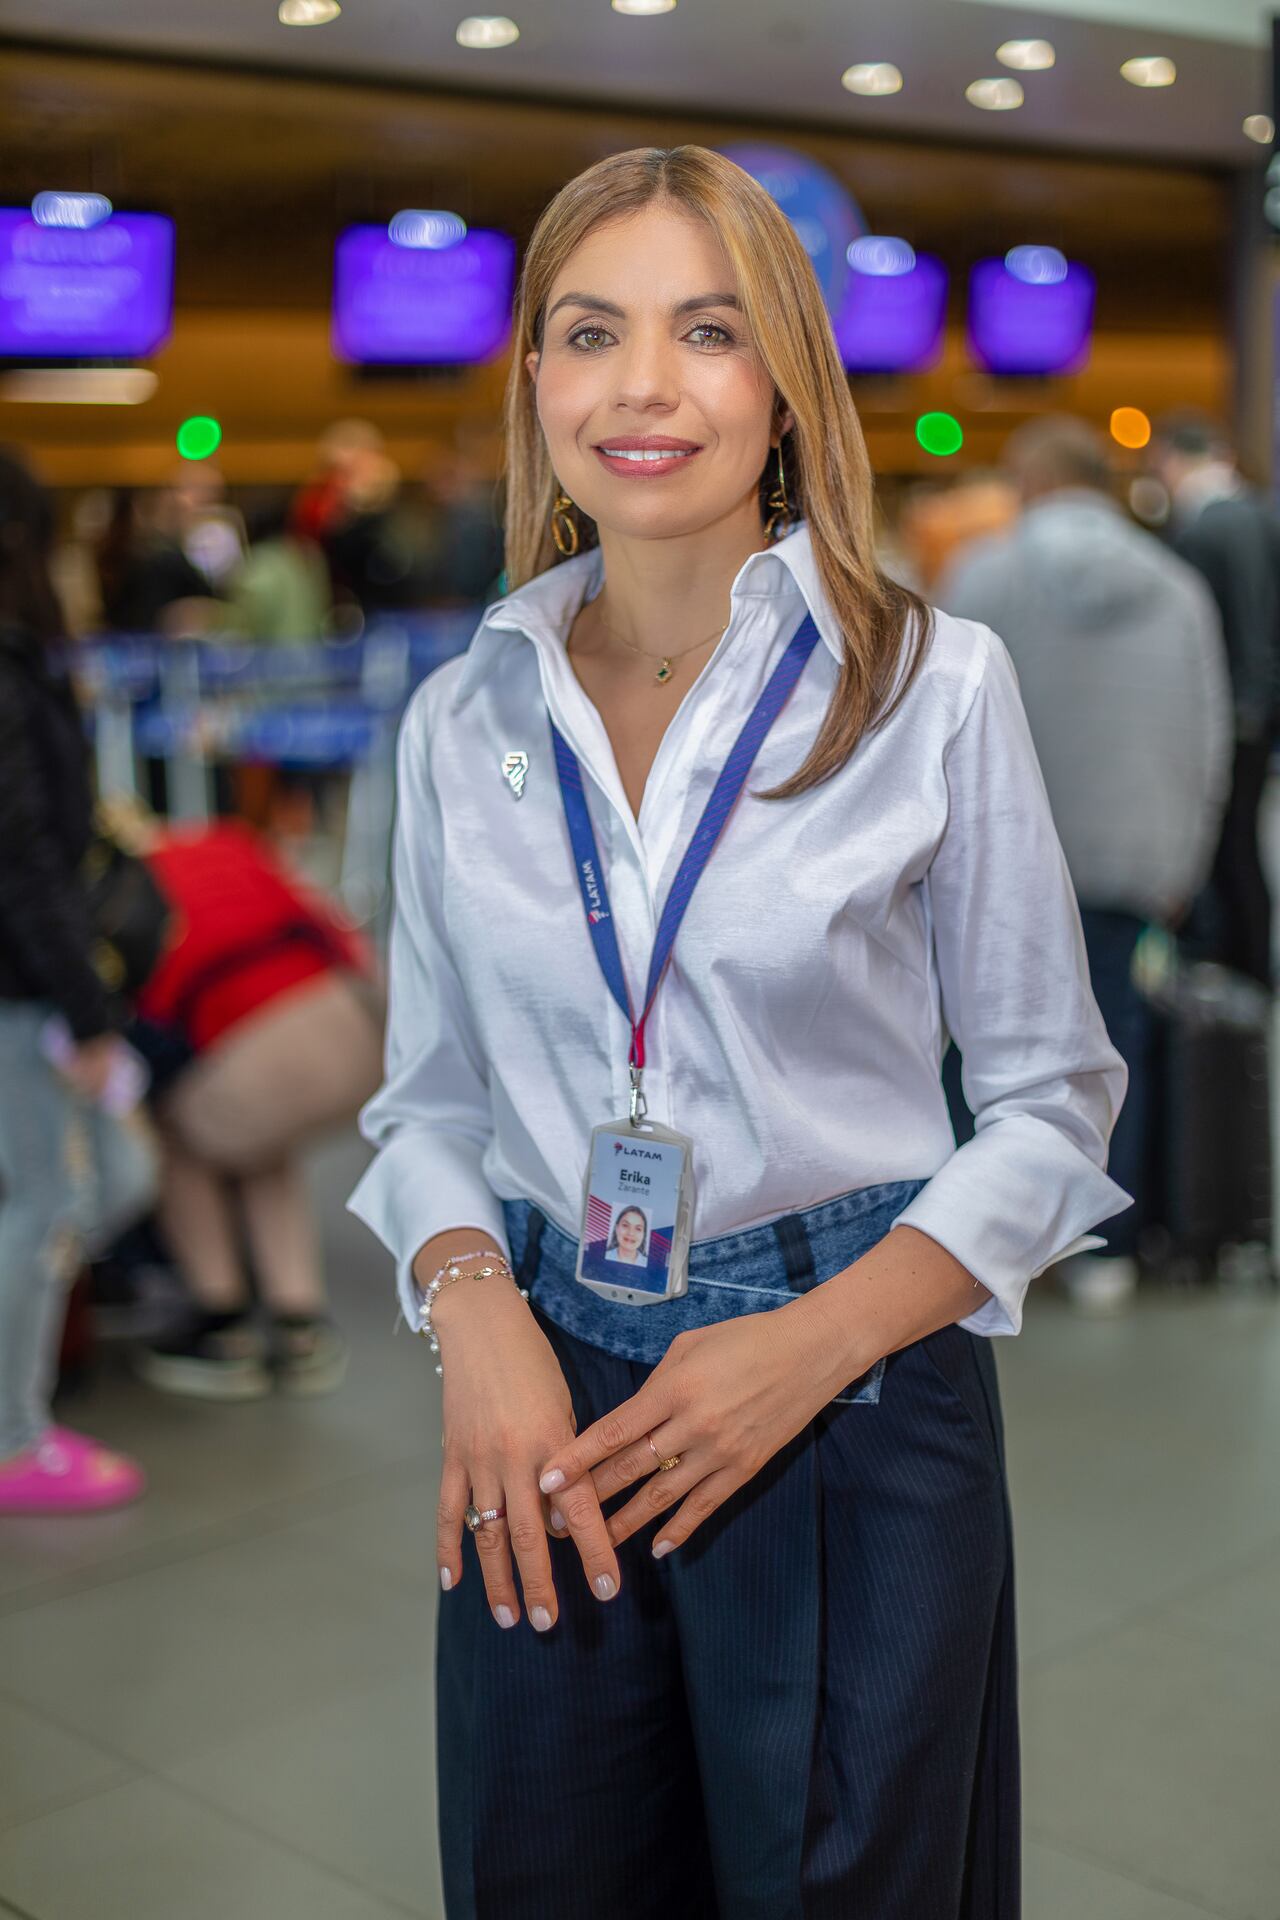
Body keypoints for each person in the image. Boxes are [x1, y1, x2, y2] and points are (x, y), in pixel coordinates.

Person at [348, 148, 1129, 1917]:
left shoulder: (933, 682)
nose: (642, 386)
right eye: (588, 332)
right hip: (548, 1402)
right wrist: (476, 1311)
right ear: (533, 382)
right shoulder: (464, 719)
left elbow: (1053, 1101)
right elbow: (428, 1103)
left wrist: (811, 1344)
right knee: (539, 1871)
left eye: (707, 332)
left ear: (784, 386)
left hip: (847, 1393)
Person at [940, 417, 1231, 1314]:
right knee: (1118, 1049)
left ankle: (980, 1246)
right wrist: (1181, 857)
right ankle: (1105, 1245)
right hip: (1134, 859)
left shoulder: (980, 576)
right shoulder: (1178, 588)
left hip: (997, 863)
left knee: (979, 1050)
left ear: (1026, 484)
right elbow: (1208, 733)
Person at [0, 448, 156, 1516]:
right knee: (62, 1195)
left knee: (86, 1185)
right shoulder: (12, 671)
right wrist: (89, 1011)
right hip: (22, 989)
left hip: (25, 985)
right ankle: (15, 1438)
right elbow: (24, 857)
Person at [106, 809, 386, 1400]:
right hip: (355, 1036)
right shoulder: (228, 840)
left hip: (254, 1047)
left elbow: (139, 1012)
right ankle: (299, 1321)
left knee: (180, 1136)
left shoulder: (132, 883)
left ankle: (221, 1321)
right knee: (260, 1141)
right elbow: (332, 926)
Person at [1150, 411, 1280, 988]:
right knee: (1241, 846)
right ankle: (1249, 973)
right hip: (1251, 712)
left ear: (1173, 459)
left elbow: (1224, 632)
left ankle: (1235, 977)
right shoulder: (1256, 514)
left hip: (1229, 715)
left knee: (1225, 848)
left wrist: (1241, 712)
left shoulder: (1209, 528)